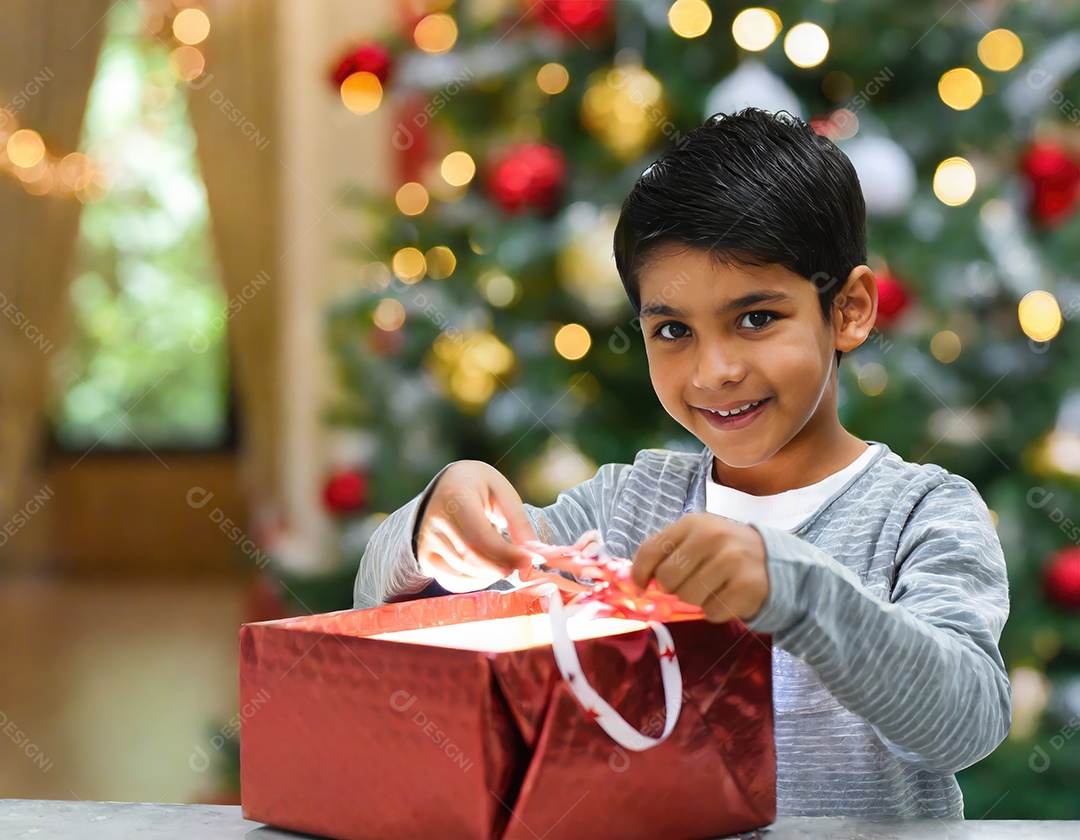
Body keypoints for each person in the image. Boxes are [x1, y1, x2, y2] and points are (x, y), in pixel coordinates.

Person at [352, 108, 1011, 819]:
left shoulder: (921, 512)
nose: (715, 370)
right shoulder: (622, 510)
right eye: (673, 330)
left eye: (757, 318)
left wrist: (795, 589)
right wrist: (429, 526)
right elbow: (376, 612)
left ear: (848, 310)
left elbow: (964, 722)